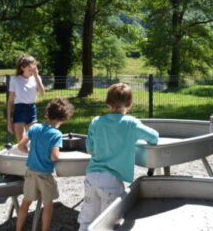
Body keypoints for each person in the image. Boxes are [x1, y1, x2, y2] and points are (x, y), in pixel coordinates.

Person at [77, 83, 159, 230]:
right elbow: (154, 137)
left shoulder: (96, 122)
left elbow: (90, 150)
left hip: (91, 176)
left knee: (87, 218)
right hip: (112, 180)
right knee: (107, 223)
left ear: (108, 102)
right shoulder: (131, 124)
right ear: (129, 103)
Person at [16, 97, 74, 231]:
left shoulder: (35, 127)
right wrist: (57, 155)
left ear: (48, 113)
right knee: (47, 206)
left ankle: (18, 229)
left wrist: (30, 152)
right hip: (45, 175)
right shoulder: (56, 134)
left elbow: (20, 146)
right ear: (64, 118)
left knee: (25, 203)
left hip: (30, 173)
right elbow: (55, 156)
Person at [7, 55, 45, 142]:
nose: (32, 70)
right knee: (21, 142)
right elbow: (10, 102)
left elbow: (42, 93)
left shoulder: (36, 78)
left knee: (34, 140)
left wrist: (36, 76)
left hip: (32, 109)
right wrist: (9, 122)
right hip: (20, 110)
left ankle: (32, 155)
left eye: (34, 68)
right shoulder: (15, 80)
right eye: (30, 68)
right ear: (22, 68)